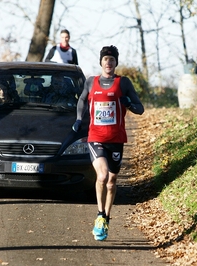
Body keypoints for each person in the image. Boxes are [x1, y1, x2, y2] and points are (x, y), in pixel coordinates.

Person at [72, 45, 144, 241]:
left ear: (115, 63)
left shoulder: (123, 83)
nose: (108, 63)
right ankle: (99, 215)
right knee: (102, 176)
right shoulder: (91, 82)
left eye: (112, 60)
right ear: (101, 62)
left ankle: (107, 217)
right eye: (105, 59)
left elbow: (140, 108)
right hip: (96, 137)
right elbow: (82, 100)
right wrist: (79, 119)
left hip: (116, 139)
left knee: (112, 183)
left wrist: (128, 103)